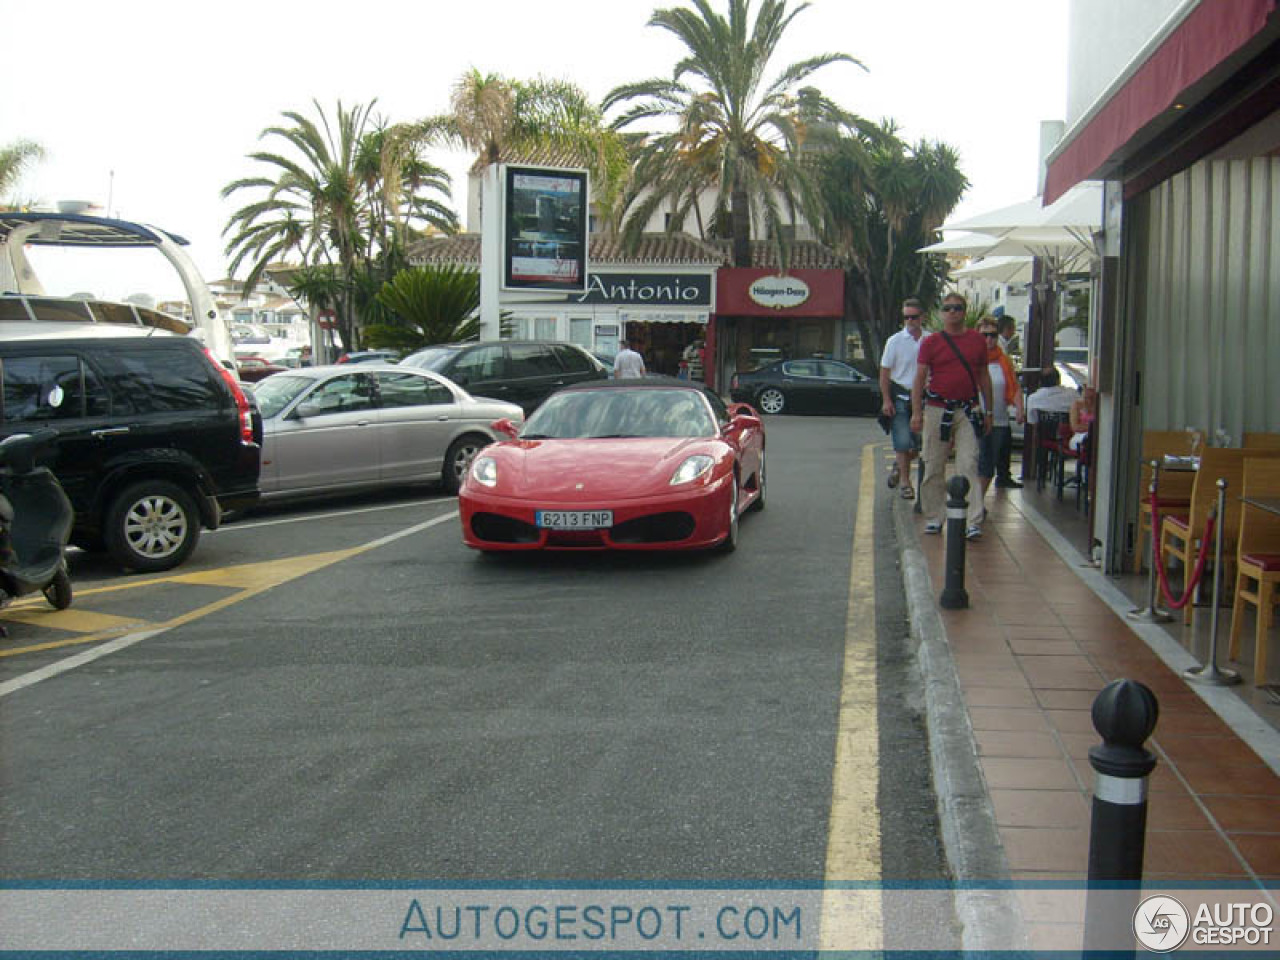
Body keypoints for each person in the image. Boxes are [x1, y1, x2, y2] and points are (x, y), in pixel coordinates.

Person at [910, 293, 993, 540]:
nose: (952, 312)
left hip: (967, 409)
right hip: (937, 408)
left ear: (964, 311)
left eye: (957, 308)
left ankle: (972, 520)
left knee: (968, 462)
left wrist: (988, 410)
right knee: (933, 464)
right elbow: (919, 378)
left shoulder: (977, 341)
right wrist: (917, 412)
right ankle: (935, 516)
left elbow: (983, 376)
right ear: (941, 313)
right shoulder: (931, 342)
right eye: (948, 308)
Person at [879, 298, 927, 500]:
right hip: (900, 393)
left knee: (918, 445)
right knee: (902, 441)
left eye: (913, 317)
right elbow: (884, 372)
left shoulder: (931, 339)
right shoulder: (895, 341)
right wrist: (886, 400)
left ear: (922, 317)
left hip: (925, 395)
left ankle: (899, 465)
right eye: (906, 317)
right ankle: (906, 483)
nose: (909, 321)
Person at [976, 317, 1025, 500]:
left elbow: (1014, 387)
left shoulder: (1004, 360)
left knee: (990, 463)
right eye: (984, 335)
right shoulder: (972, 359)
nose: (988, 340)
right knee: (979, 461)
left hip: (999, 418)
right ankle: (975, 503)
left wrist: (1020, 408)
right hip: (977, 417)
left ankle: (978, 500)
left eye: (993, 335)